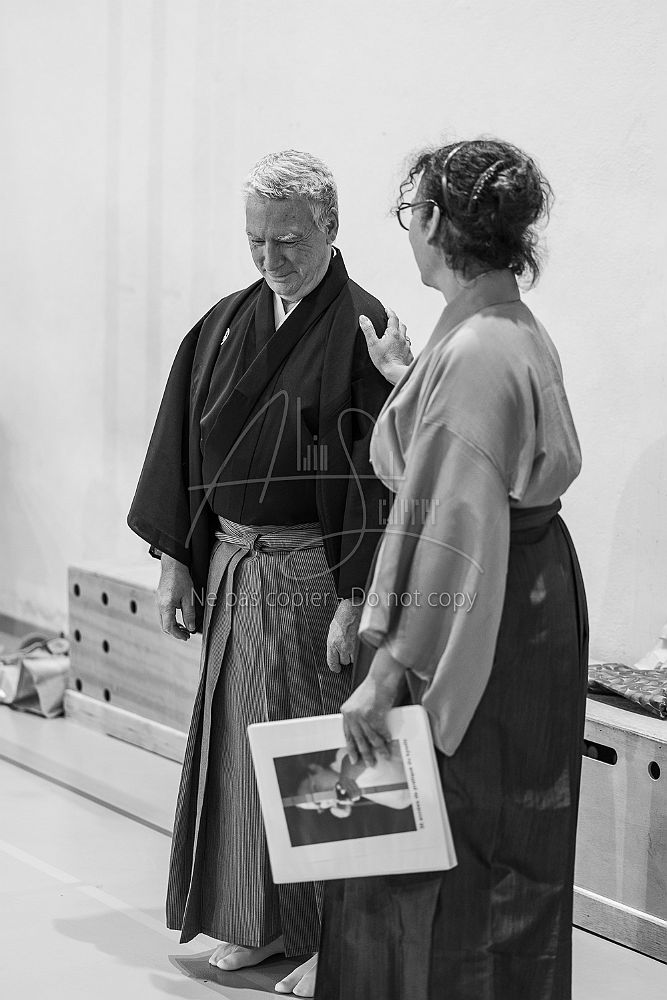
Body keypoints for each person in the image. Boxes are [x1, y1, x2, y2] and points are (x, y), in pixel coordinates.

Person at [127, 150, 407, 998]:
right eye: (255, 239)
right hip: (234, 564)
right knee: (243, 749)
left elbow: (375, 473)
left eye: (288, 240)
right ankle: (260, 920)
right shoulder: (223, 323)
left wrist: (356, 595)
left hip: (317, 569)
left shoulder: (363, 326)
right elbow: (182, 445)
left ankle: (339, 942)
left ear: (330, 227)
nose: (269, 257)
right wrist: (177, 559)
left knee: (328, 756)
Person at [315, 139, 589, 1000]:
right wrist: (410, 380)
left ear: (434, 222)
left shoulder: (474, 352)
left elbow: (452, 538)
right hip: (529, 593)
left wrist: (385, 674)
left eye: (410, 212)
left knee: (448, 848)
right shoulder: (503, 327)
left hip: (479, 610)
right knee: (512, 842)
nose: (407, 229)